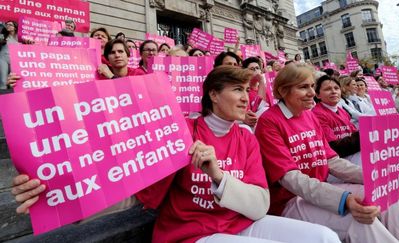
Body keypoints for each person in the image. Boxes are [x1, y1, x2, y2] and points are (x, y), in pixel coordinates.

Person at [11, 66, 341, 243]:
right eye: (238, 90)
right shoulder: (179, 130)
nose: (246, 99)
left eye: (249, 91)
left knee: (325, 237)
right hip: (192, 234)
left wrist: (218, 176)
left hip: (239, 224)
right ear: (213, 94)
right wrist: (51, 189)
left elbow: (259, 206)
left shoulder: (246, 138)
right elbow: (119, 173)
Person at [255, 63, 399, 243]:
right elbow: (291, 179)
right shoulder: (268, 122)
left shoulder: (308, 115)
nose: (312, 93)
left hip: (319, 190)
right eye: (303, 87)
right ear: (283, 91)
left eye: (311, 86)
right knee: (360, 220)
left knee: (383, 197)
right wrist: (343, 200)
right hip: (289, 201)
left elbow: (331, 160)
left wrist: (382, 177)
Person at [0, 21, 19, 89]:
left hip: (14, 59)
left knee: (14, 78)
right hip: (3, 58)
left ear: (15, 28)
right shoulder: (3, 36)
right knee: (3, 79)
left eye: (10, 25)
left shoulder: (19, 38)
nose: (8, 25)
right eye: (7, 24)